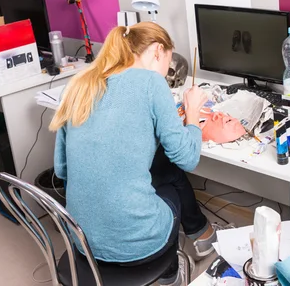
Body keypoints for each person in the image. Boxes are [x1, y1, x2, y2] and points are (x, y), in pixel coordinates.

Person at [50, 22, 218, 286]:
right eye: (169, 62)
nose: (167, 71)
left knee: (161, 167)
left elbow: (61, 170)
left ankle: (201, 236)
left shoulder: (78, 85)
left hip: (82, 240)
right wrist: (193, 112)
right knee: (172, 178)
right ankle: (170, 275)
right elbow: (188, 158)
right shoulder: (151, 82)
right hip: (136, 247)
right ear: (157, 51)